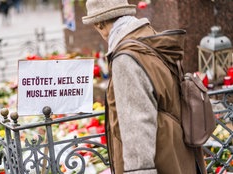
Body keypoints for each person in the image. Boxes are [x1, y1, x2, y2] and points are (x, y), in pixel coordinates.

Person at [82, 0, 206, 174]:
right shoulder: (150, 38)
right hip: (179, 155)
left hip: (162, 160)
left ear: (99, 24)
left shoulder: (126, 58)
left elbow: (137, 129)